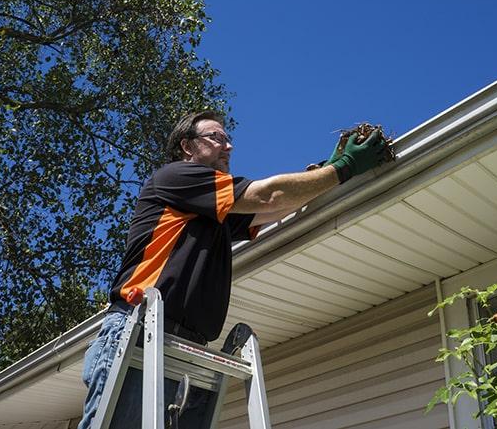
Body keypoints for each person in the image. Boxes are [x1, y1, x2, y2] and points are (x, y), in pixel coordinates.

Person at [77, 110, 388, 428]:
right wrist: (344, 168)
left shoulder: (215, 213)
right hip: (138, 333)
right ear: (188, 146)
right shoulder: (175, 178)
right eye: (217, 138)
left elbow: (278, 207)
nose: (228, 147)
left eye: (229, 140)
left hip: (181, 348)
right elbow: (268, 196)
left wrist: (326, 172)